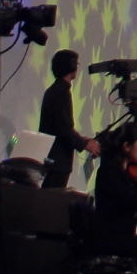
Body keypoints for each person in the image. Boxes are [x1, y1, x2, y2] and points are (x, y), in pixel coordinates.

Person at [40, 48, 96, 189]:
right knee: (52, 198)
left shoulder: (54, 90)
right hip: (58, 160)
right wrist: (84, 144)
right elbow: (63, 127)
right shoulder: (61, 92)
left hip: (52, 157)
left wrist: (80, 139)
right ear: (71, 66)